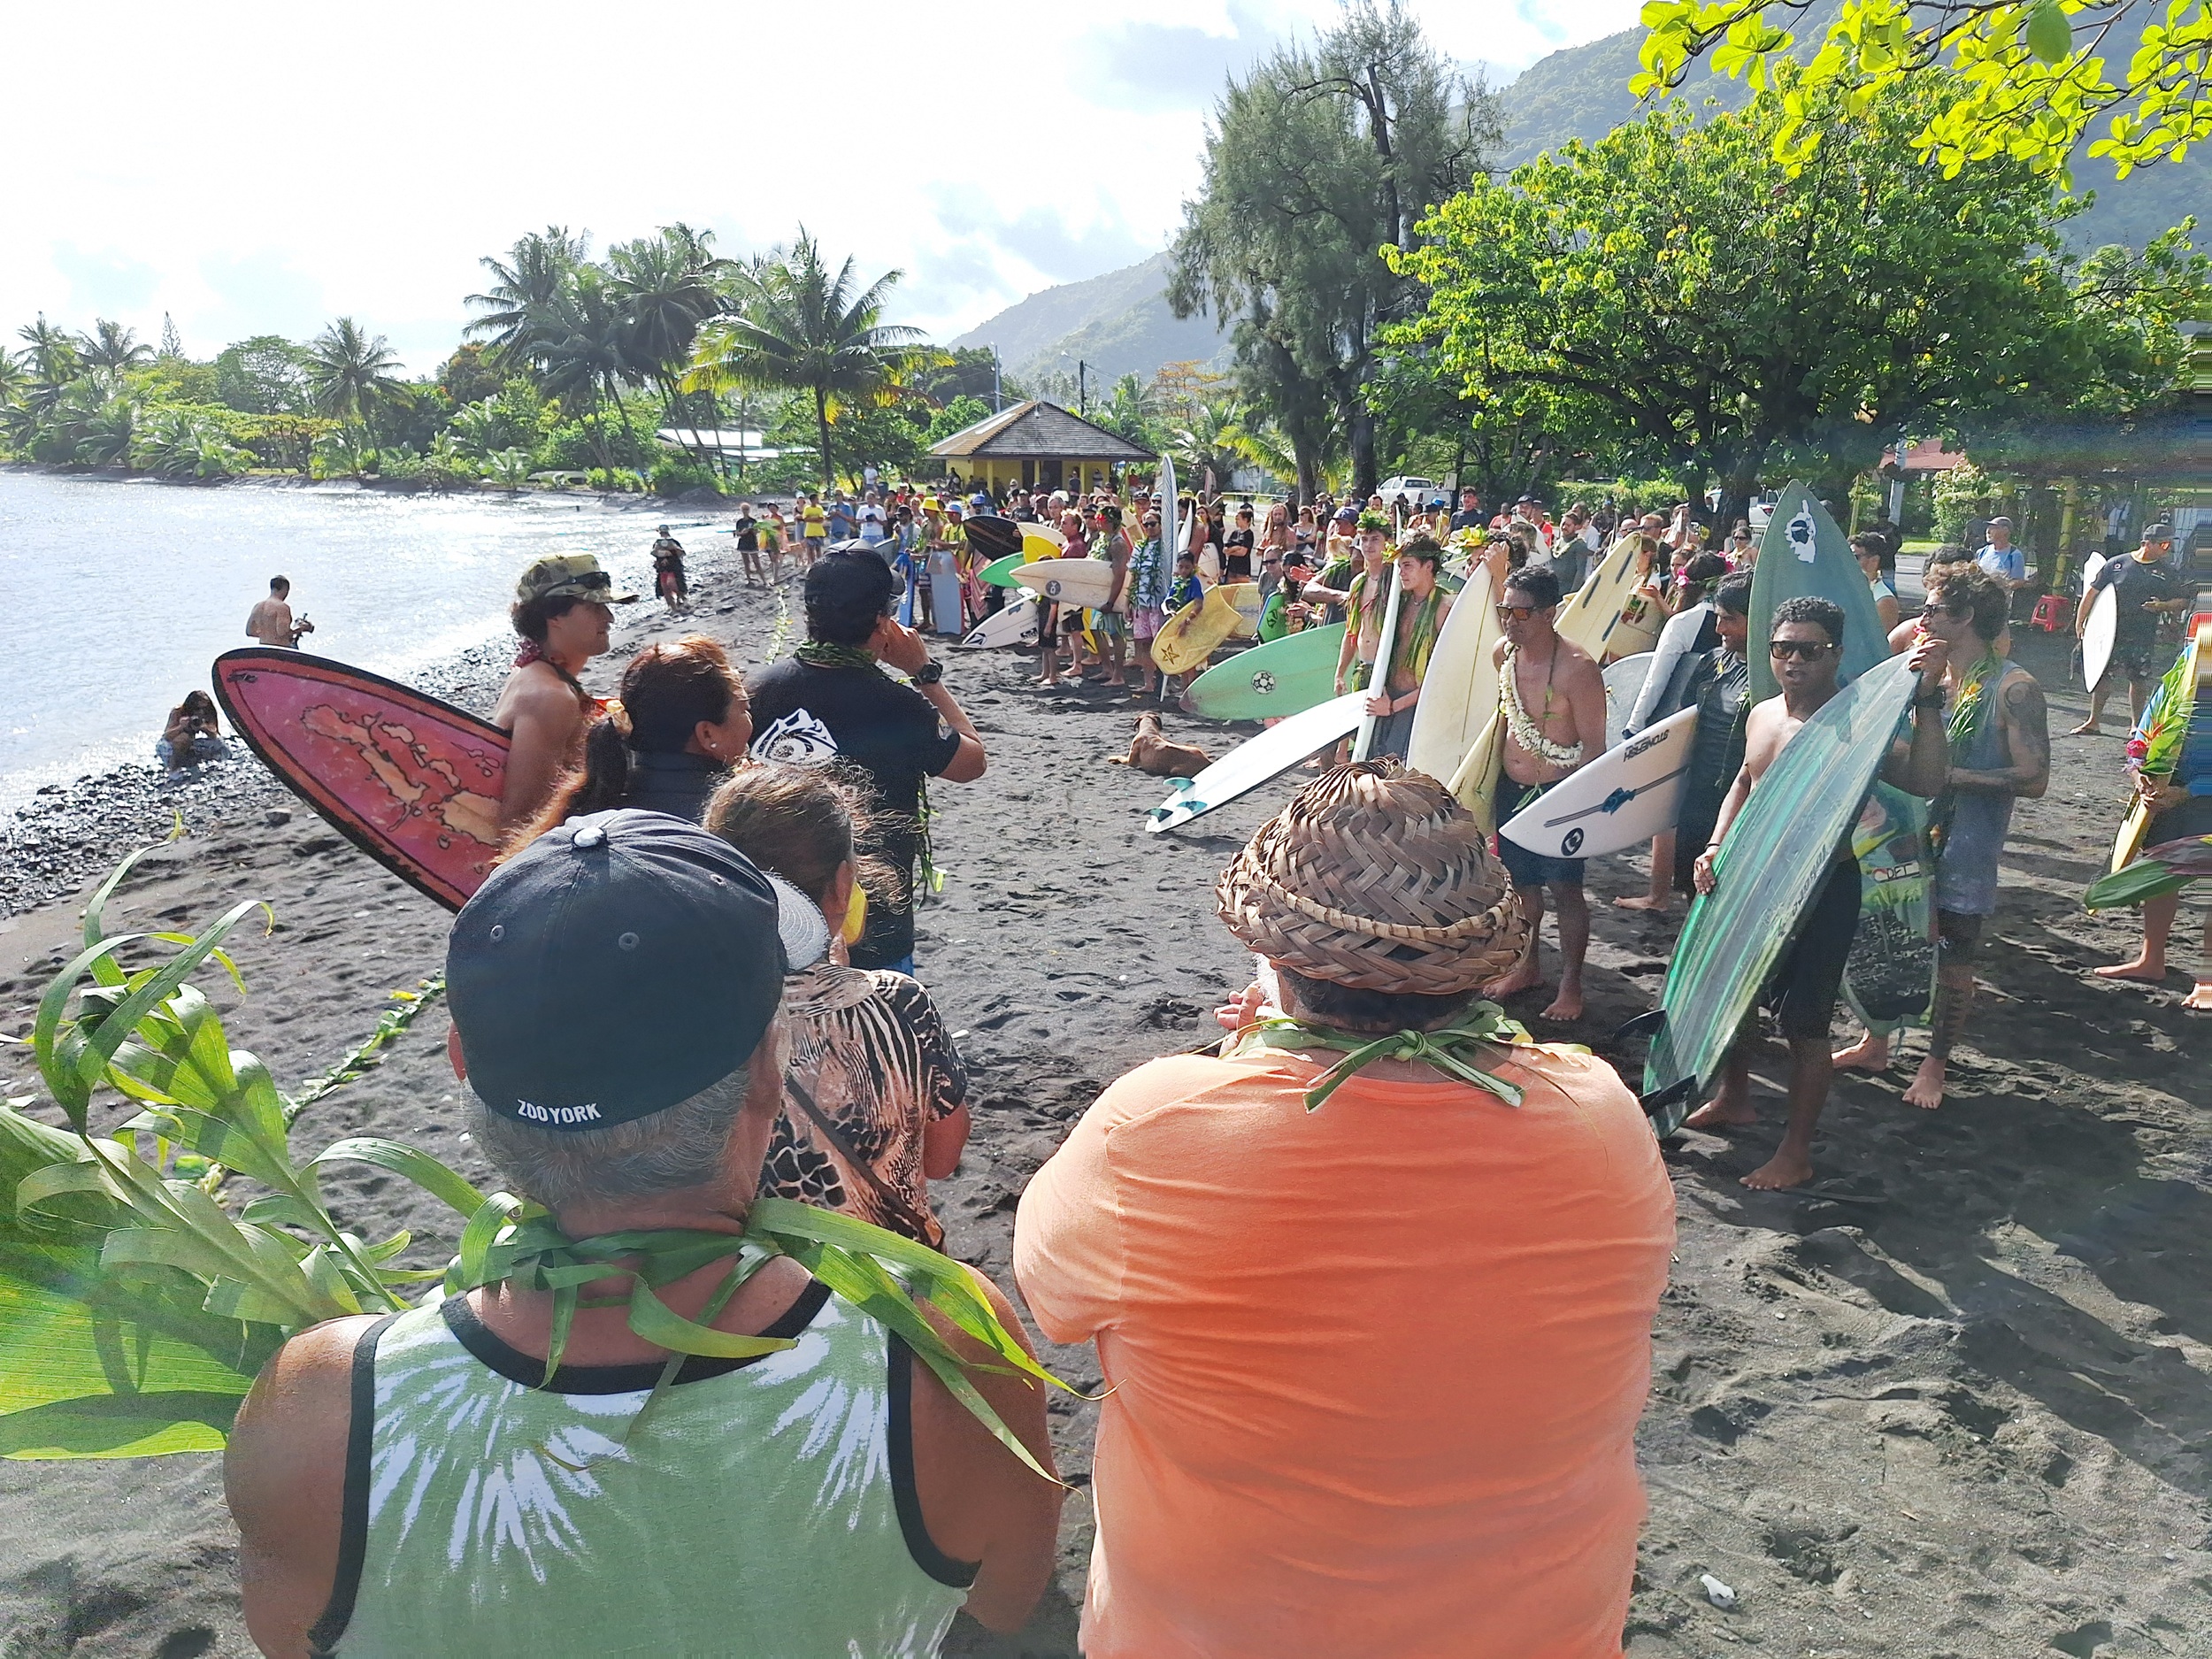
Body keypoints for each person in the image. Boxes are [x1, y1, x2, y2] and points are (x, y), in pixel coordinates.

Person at [224, 811, 1058, 1656]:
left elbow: (292, 1638)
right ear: (769, 1072)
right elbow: (1003, 1600)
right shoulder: (944, 1351)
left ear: (463, 1065)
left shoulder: (321, 1405)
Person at [1014, 761, 1674, 1659]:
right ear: (1482, 967)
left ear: (1279, 960)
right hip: (1537, 1626)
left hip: (1222, 1632)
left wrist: (1237, 1058)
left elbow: (1053, 1298)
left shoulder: (1156, 1125)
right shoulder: (1602, 1115)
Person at [1684, 595, 1953, 1188]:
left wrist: (1929, 698)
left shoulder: (1860, 723)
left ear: (1836, 654)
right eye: (1783, 648)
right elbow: (1743, 782)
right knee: (1736, 999)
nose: (1794, 660)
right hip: (1751, 879)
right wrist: (1713, 845)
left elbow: (1926, 779)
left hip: (1822, 887)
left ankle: (1796, 1153)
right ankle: (1736, 1097)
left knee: (1804, 1026)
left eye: (1810, 649)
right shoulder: (1762, 713)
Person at [706, 764, 972, 1244]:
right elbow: (941, 1160)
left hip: (754, 1284)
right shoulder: (897, 1002)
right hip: (889, 1278)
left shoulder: (690, 1015)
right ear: (844, 886)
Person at [1832, 563, 2050, 1106]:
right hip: (1899, 834)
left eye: (1931, 609)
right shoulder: (1923, 674)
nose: (1920, 617)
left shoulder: (2014, 687)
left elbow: (2035, 778)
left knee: (1954, 956)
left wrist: (1949, 776)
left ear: (1966, 617)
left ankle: (1934, 1065)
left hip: (1966, 843)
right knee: (1887, 934)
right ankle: (1875, 1042)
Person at [747, 553, 987, 976]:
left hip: (773, 909)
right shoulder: (898, 705)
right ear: (883, 625)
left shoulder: (758, 691)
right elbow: (971, 761)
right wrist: (925, 674)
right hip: (874, 913)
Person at [1482, 565, 1609, 1021]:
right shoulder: (1504, 655)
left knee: (1566, 890)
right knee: (1520, 887)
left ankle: (1571, 985)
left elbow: (1596, 748)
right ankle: (1527, 966)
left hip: (1561, 793)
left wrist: (1580, 806)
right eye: (1505, 610)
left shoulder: (1579, 670)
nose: (1510, 621)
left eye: (1520, 612)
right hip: (1510, 788)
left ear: (1550, 613)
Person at [516, 636, 752, 836]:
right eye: (743, 708)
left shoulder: (598, 799)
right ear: (707, 734)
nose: (749, 719)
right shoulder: (734, 815)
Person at [2093, 635, 2212, 1009]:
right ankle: (2152, 960)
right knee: (2162, 872)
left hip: (2196, 794)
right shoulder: (2189, 666)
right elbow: (2146, 730)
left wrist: (2193, 790)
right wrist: (2139, 771)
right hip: (2166, 792)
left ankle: (2208, 980)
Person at [1617, 569, 1744, 914]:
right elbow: (1683, 723)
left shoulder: (1771, 675)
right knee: (1693, 885)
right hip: (1698, 796)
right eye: (1718, 619)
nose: (1718, 630)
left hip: (1739, 799)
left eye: (1730, 621)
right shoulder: (1712, 663)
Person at [491, 554, 638, 831]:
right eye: (595, 607)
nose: (610, 618)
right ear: (555, 615)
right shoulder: (550, 696)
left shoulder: (533, 673)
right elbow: (521, 820)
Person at [2071, 524, 2193, 735]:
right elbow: (2092, 593)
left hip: (2142, 632)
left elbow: (2182, 601)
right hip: (2109, 630)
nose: (2168, 548)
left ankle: (2137, 725)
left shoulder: (2167, 572)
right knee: (2101, 674)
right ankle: (2093, 721)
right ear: (2147, 544)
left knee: (2138, 678)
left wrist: (2162, 606)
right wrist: (2080, 622)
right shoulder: (2117, 564)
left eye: (2170, 544)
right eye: (2164, 544)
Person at [1363, 533, 1451, 760]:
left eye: (1408, 566)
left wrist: (1394, 706)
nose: (1401, 573)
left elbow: (1442, 678)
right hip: (1387, 699)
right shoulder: (1399, 602)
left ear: (1428, 566)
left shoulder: (1444, 607)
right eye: (1400, 566)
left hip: (1414, 706)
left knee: (1396, 778)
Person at [1331, 513, 1397, 708]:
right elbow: (1351, 631)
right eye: (1364, 540)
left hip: (1388, 671)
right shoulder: (1358, 583)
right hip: (1363, 666)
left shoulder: (1396, 581)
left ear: (1388, 542)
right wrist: (1340, 673)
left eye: (1375, 539)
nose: (1368, 545)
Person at [1086, 503, 1133, 691]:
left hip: (1113, 594)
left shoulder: (1118, 544)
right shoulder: (1102, 539)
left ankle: (1118, 675)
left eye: (1102, 520)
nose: (1098, 524)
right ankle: (1106, 668)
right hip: (1100, 593)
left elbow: (1120, 573)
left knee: (1116, 633)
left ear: (1112, 523)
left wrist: (1112, 601)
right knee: (1095, 629)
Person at [1125, 506, 1171, 699]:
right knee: (1143, 642)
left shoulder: (1167, 547)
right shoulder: (1139, 547)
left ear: (1161, 525)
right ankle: (1148, 682)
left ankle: (1164, 682)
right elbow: (1133, 576)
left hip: (1159, 602)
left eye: (1153, 524)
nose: (1149, 528)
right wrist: (1128, 601)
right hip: (1141, 601)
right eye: (1146, 525)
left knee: (1160, 643)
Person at [157, 690, 228, 772]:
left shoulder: (208, 713)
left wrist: (204, 727)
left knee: (219, 744)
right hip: (171, 747)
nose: (201, 712)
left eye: (205, 708)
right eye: (198, 709)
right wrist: (181, 727)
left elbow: (214, 735)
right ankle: (174, 770)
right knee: (184, 738)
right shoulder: (178, 712)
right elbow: (167, 737)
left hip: (192, 745)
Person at [245, 576, 312, 649]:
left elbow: (249, 631)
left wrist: (268, 634)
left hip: (263, 649)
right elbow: (282, 632)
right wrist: (300, 627)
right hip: (280, 651)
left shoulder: (257, 607)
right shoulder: (282, 607)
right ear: (285, 589)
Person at [1854, 534, 1901, 634]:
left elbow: (1884, 643)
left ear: (1874, 561)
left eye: (1855, 557)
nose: (1848, 561)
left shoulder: (1884, 600)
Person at [1976, 516, 2026, 599]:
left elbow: (2018, 581)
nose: (1988, 531)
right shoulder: (1981, 552)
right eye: (1988, 527)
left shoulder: (2014, 555)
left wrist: (1998, 588)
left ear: (2005, 531)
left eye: (1993, 527)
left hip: (2000, 601)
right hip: (1979, 599)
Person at [649, 525, 688, 613]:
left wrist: (671, 551)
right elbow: (654, 553)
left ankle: (682, 598)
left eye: (664, 532)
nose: (663, 534)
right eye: (662, 533)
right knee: (665, 588)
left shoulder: (673, 542)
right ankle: (673, 607)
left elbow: (681, 553)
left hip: (673, 567)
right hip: (663, 569)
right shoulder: (657, 543)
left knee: (673, 584)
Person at [732, 503, 764, 587]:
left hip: (752, 542)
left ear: (749, 510)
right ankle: (749, 579)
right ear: (741, 510)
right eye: (744, 509)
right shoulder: (739, 522)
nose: (745, 511)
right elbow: (737, 533)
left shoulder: (753, 521)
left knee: (756, 562)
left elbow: (756, 532)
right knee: (746, 562)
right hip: (743, 543)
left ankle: (764, 580)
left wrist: (751, 530)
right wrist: (741, 533)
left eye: (747, 509)